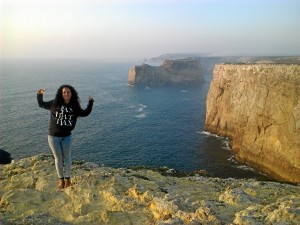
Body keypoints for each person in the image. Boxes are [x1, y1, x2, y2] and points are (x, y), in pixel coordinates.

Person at [37, 85, 94, 189]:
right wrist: (39, 94)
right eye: (64, 92)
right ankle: (61, 180)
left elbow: (85, 113)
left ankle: (68, 179)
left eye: (68, 92)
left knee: (67, 158)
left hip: (66, 136)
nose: (66, 94)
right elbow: (41, 104)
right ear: (61, 93)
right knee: (58, 158)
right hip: (53, 136)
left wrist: (90, 103)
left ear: (71, 94)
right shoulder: (55, 103)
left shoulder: (75, 106)